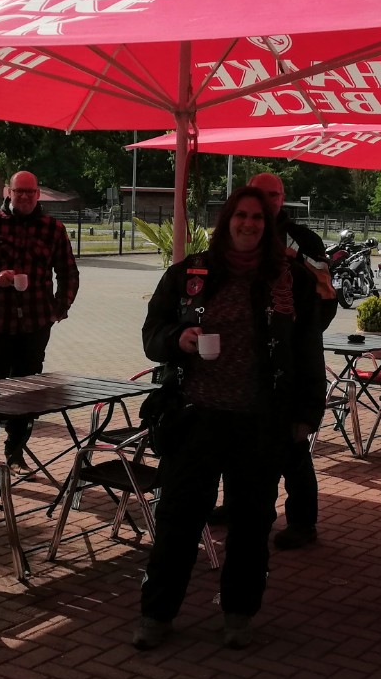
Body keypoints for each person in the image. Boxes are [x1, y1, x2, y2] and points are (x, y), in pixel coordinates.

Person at [135, 186, 325, 651]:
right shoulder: (189, 273)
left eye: (257, 217)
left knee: (252, 522)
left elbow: (307, 348)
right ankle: (157, 614)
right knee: (178, 519)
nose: (248, 224)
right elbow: (152, 333)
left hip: (260, 422)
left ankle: (239, 614)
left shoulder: (290, 279)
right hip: (195, 418)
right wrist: (177, 339)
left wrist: (307, 412)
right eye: (241, 215)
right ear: (226, 221)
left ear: (267, 224)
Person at [0, 170, 79, 466]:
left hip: (35, 325)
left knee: (27, 394)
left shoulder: (52, 228)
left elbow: (68, 272)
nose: (24, 196)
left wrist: (60, 307)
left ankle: (15, 453)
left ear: (37, 194)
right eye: (18, 191)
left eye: (29, 191)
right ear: (8, 192)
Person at [246, 172, 336, 549]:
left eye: (274, 195)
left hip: (292, 359)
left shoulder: (303, 238)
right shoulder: (243, 233)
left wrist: (300, 330)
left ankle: (302, 522)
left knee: (293, 449)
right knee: (245, 448)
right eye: (260, 194)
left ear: (283, 198)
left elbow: (327, 290)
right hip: (248, 365)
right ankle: (245, 510)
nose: (267, 202)